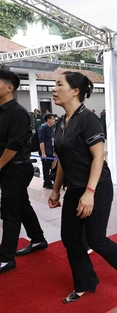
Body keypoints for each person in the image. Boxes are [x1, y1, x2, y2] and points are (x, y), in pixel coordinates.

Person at [47, 71, 117, 303]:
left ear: (75, 91)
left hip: (96, 187)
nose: (54, 89)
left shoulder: (88, 119)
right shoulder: (60, 122)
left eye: (59, 85)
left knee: (95, 239)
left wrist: (89, 193)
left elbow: (98, 157)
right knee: (70, 238)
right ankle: (85, 282)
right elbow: (63, 160)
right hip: (75, 188)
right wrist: (56, 189)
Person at [0, 70, 47, 275]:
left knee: (10, 210)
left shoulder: (18, 112)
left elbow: (14, 144)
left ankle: (6, 258)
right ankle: (38, 239)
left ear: (10, 87)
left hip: (17, 168)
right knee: (22, 205)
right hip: (6, 167)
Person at [38, 113, 56, 189]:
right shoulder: (43, 128)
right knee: (46, 167)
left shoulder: (51, 128)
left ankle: (46, 181)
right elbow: (41, 141)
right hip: (45, 151)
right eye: (52, 118)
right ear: (48, 119)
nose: (54, 120)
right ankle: (48, 183)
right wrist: (43, 153)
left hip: (51, 150)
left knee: (50, 167)